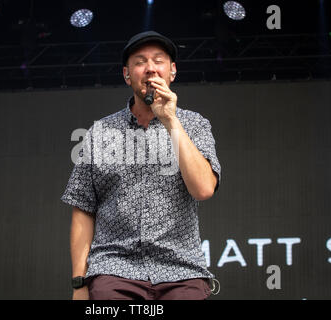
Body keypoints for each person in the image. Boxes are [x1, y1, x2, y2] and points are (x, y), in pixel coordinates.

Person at [61, 31, 221, 300]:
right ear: (127, 75)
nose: (150, 68)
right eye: (140, 62)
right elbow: (83, 209)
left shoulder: (195, 125)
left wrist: (170, 120)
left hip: (181, 270)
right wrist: (79, 284)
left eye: (158, 61)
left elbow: (203, 189)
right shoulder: (100, 132)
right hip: (114, 269)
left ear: (172, 72)